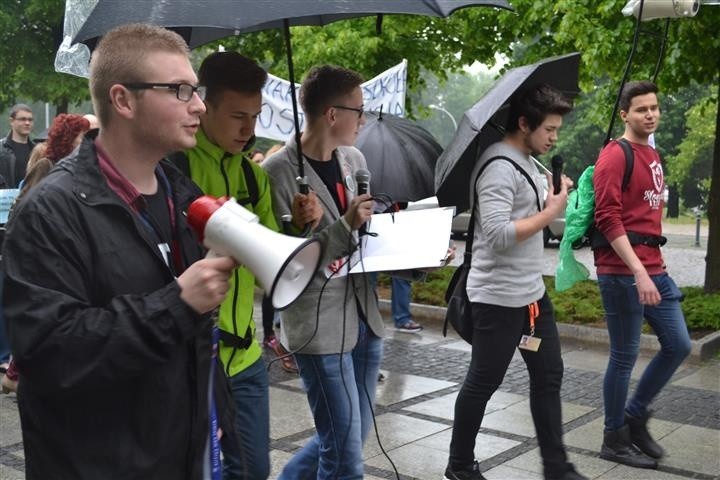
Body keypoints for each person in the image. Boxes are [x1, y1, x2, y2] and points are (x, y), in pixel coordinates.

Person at [1, 23, 238, 479]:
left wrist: (218, 421)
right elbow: (49, 354)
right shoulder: (50, 210)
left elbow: (195, 342)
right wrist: (179, 302)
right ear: (123, 100)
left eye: (197, 89)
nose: (200, 105)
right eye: (180, 90)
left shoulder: (182, 195)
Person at [172, 51, 318, 479]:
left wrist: (299, 231)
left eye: (254, 116)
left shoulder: (255, 178)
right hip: (193, 358)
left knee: (253, 470)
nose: (248, 129)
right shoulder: (174, 168)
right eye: (237, 115)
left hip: (246, 357)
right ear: (204, 105)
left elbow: (273, 266)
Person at [445, 84, 586, 480]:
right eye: (549, 130)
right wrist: (550, 212)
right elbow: (498, 235)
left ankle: (556, 467)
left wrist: (554, 198)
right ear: (524, 123)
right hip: (498, 299)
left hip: (531, 295)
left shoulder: (525, 159)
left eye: (557, 130)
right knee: (483, 381)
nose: (555, 137)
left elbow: (529, 215)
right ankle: (458, 466)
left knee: (549, 374)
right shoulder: (498, 166)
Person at [262, 64, 380, 479]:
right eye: (359, 111)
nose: (363, 120)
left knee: (351, 433)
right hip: (318, 323)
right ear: (333, 113)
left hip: (365, 314)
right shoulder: (277, 173)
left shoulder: (354, 159)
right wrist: (336, 225)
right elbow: (285, 267)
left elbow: (364, 237)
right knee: (344, 454)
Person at [593, 80, 691, 469]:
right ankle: (613, 437)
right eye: (641, 109)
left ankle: (635, 415)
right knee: (623, 356)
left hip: (654, 268)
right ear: (624, 114)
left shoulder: (652, 153)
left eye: (654, 108)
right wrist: (638, 272)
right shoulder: (614, 155)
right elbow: (608, 217)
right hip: (622, 272)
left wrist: (653, 270)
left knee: (679, 344)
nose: (650, 114)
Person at [1, 114, 91, 395]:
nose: (91, 142)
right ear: (68, 138)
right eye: (83, 136)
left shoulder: (84, 171)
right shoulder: (49, 167)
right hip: (40, 261)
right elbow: (26, 209)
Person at [0, 103, 36, 188]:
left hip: (31, 199)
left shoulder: (36, 150)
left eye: (30, 120)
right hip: (5, 200)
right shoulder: (1, 149)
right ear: (12, 121)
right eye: (22, 119)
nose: (27, 123)